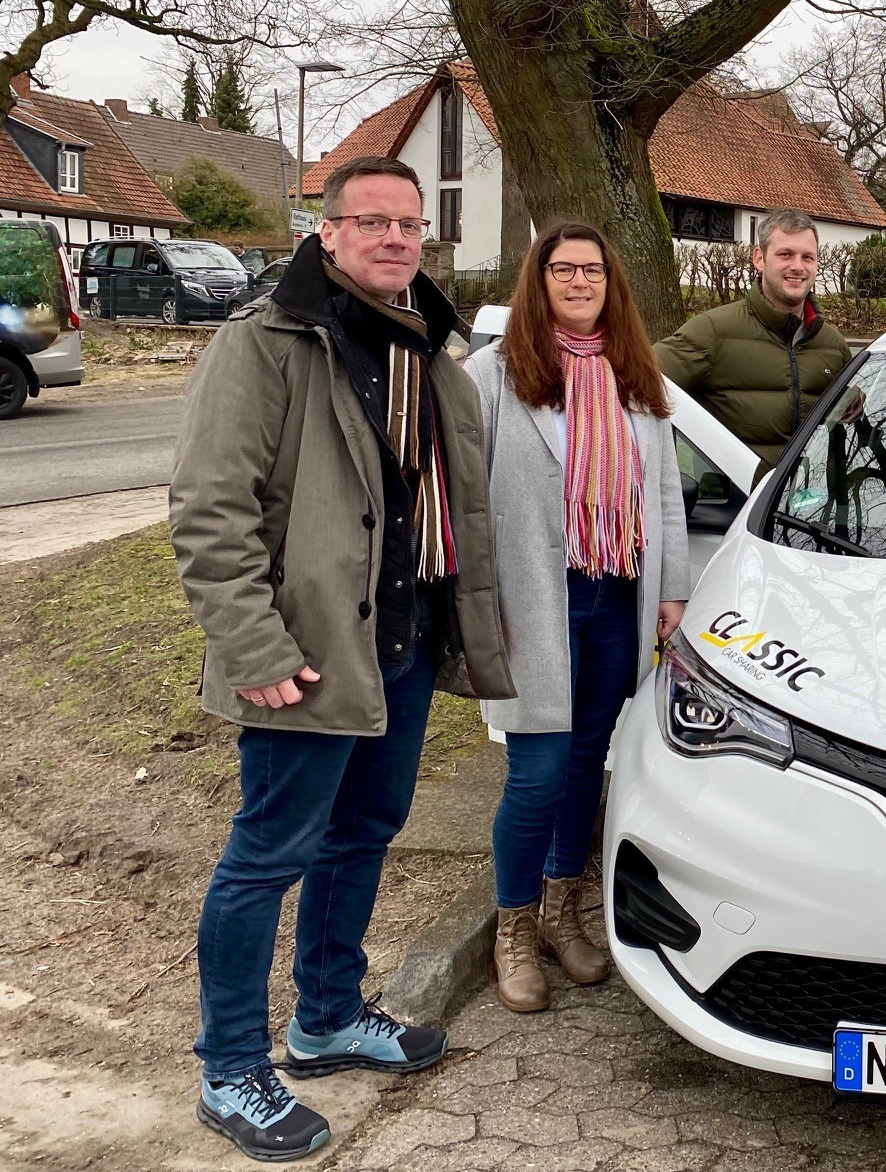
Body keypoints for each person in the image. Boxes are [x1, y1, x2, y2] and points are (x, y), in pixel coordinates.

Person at [170, 155, 515, 1163]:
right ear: (328, 234)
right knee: (264, 859)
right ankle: (232, 1069)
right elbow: (208, 509)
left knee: (362, 833)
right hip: (304, 659)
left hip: (397, 652)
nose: (396, 240)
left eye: (411, 225)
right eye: (373, 222)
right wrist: (253, 645)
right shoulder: (267, 341)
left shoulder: (425, 349)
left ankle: (325, 1019)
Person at [466, 221, 689, 1012]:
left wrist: (673, 589)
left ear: (610, 283)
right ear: (540, 279)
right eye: (563, 269)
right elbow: (464, 494)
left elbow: (662, 488)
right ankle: (514, 928)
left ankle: (563, 915)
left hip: (614, 595)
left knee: (586, 765)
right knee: (535, 773)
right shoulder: (493, 375)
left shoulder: (636, 375)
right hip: (534, 599)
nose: (579, 282)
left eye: (592, 269)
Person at [654, 208, 849, 470]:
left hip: (808, 508)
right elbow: (638, 382)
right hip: (737, 506)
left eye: (808, 257)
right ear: (759, 258)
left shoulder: (833, 346)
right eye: (785, 254)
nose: (798, 266)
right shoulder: (713, 331)